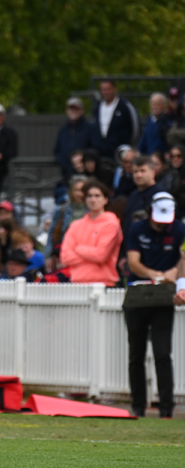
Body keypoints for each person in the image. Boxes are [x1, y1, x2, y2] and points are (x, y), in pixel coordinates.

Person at [124, 192, 183, 418]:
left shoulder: (179, 229)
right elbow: (133, 262)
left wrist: (174, 273)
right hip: (138, 296)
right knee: (136, 354)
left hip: (163, 299)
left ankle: (166, 408)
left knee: (162, 353)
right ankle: (137, 406)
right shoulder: (137, 228)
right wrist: (157, 274)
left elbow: (183, 257)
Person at [60, 180, 122, 286]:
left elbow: (101, 255)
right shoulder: (76, 225)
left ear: (105, 200)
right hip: (77, 282)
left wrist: (78, 248)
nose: (93, 200)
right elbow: (65, 257)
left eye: (97, 196)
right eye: (89, 196)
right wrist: (91, 254)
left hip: (103, 282)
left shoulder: (111, 224)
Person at [92, 80, 140, 158]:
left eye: (109, 89)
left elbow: (135, 127)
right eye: (104, 89)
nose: (106, 92)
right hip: (101, 153)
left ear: (114, 89)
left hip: (119, 152)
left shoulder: (124, 106)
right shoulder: (97, 107)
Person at [54, 97, 96, 182]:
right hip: (67, 174)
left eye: (76, 109)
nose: (74, 111)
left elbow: (95, 148)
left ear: (82, 110)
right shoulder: (63, 130)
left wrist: (82, 158)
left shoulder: (90, 128)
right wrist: (65, 162)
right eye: (71, 109)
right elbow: (57, 150)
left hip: (86, 174)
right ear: (67, 111)